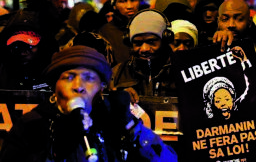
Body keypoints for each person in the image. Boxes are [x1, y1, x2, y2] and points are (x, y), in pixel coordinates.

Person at [0, 45, 177, 161]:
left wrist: (132, 130)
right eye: (69, 78)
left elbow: (168, 159)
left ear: (101, 88)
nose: (78, 87)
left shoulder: (111, 119)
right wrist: (59, 148)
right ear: (55, 86)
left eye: (89, 78)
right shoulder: (31, 124)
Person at [110, 9, 175, 103]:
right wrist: (120, 97)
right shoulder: (117, 73)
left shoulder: (181, 71)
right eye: (138, 43)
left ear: (165, 40)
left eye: (151, 42)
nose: (144, 49)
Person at [0, 9, 59, 90]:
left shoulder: (52, 72)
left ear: (42, 46)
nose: (22, 53)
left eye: (29, 46)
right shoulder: (5, 72)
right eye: (16, 46)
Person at [98, 0, 140, 65]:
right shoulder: (106, 32)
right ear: (114, 5)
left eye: (133, 0)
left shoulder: (146, 26)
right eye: (123, 1)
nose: (129, 6)